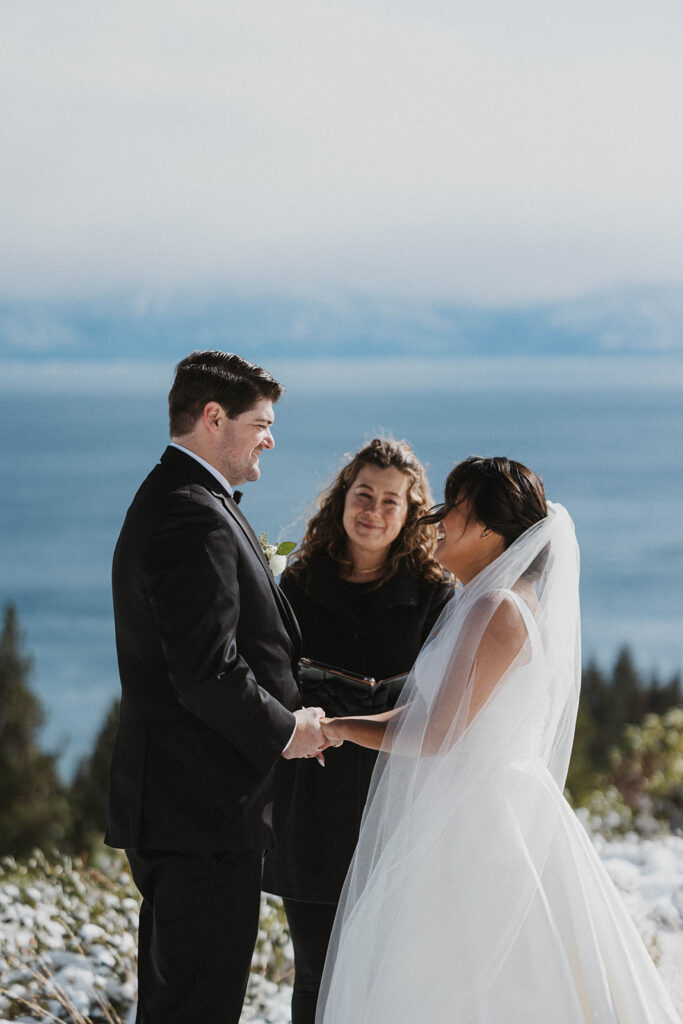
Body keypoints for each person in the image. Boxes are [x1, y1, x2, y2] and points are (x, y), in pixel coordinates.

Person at [316, 456, 681, 1024]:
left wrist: (337, 729)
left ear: (487, 528)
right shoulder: (489, 600)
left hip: (476, 823)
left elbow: (436, 733)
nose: (434, 517)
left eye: (452, 506)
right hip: (488, 804)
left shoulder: (493, 605)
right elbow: (440, 713)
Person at [105, 351, 328, 1024]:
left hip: (190, 804)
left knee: (183, 998)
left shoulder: (185, 499)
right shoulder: (190, 514)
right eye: (260, 422)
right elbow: (207, 670)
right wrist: (288, 732)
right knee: (196, 1006)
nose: (270, 437)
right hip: (199, 808)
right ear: (212, 418)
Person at [262, 438, 454, 1024]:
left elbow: (443, 704)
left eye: (391, 501)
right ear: (342, 498)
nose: (373, 510)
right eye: (363, 494)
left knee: (386, 970)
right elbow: (270, 683)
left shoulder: (435, 595)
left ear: (411, 513)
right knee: (316, 970)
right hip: (312, 804)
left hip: (396, 806)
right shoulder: (295, 585)